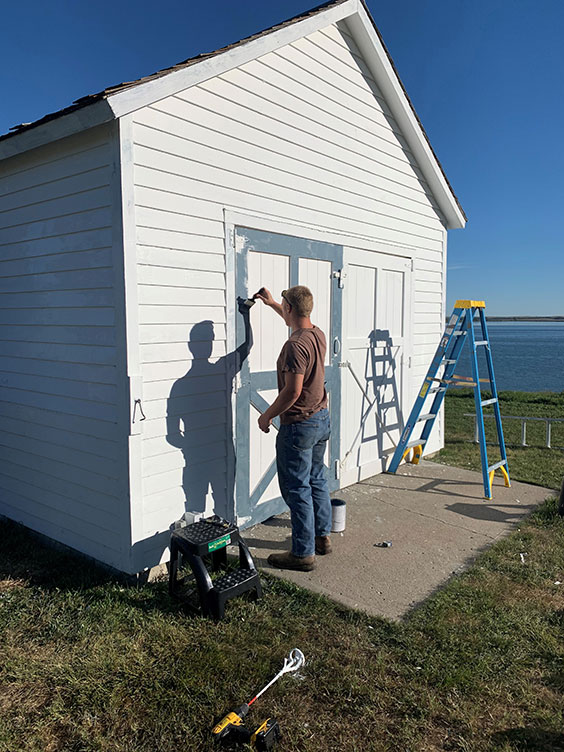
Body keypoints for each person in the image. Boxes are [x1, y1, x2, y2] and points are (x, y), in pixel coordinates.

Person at [253, 285, 332, 571]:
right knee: (316, 480)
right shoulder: (316, 334)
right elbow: (293, 319)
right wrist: (273, 303)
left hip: (299, 426)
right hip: (321, 419)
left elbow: (292, 392)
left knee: (297, 489)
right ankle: (322, 538)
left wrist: (267, 416)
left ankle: (302, 553)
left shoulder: (294, 346)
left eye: (283, 305)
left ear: (290, 308)